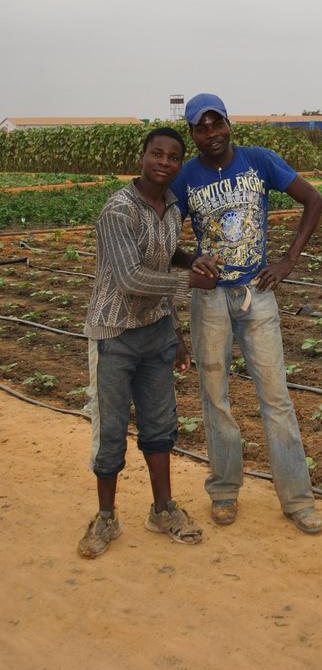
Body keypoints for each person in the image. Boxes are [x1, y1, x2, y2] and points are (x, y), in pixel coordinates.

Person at [170, 93, 322, 534]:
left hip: (257, 294)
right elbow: (163, 235)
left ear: (229, 125)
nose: (211, 134)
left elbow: (313, 200)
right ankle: (223, 490)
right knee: (215, 397)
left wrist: (288, 260)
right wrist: (189, 263)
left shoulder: (260, 161)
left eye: (217, 124)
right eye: (202, 128)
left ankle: (297, 499)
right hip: (211, 300)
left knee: (276, 397)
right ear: (193, 133)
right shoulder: (185, 177)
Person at [78, 126, 219, 558]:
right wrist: (190, 282)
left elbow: (163, 252)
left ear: (178, 164)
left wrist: (175, 330)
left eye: (173, 157)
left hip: (155, 332)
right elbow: (130, 277)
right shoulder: (118, 212)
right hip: (115, 334)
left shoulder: (172, 206)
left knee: (160, 427)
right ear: (142, 158)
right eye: (157, 154)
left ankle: (162, 509)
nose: (164, 162)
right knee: (112, 431)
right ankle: (106, 517)